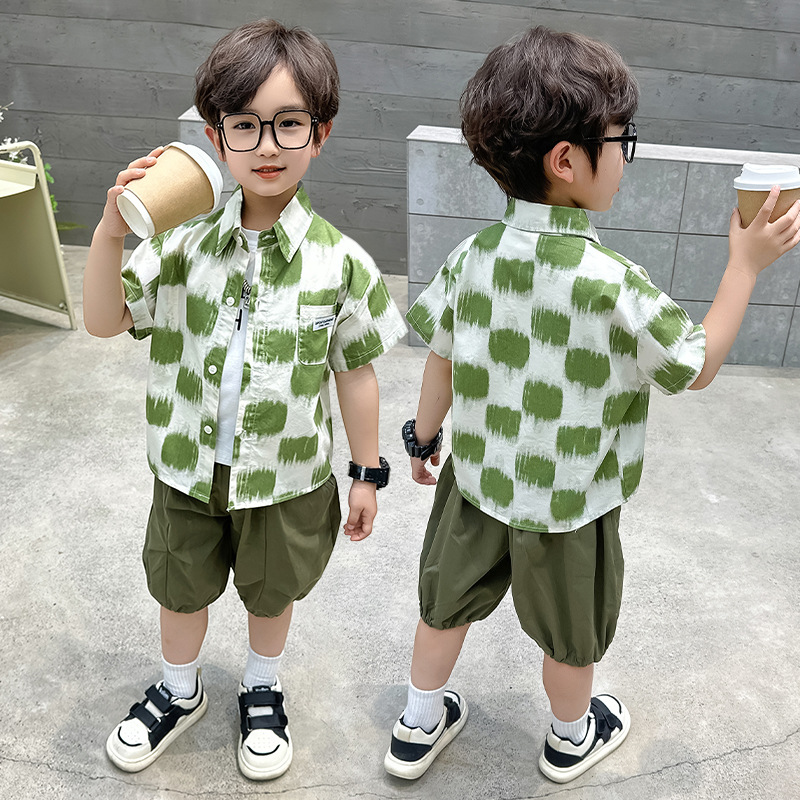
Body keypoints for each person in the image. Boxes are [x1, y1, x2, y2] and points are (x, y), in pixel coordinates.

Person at [384, 26, 800, 785]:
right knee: (571, 636)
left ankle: (416, 722)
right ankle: (570, 738)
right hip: (570, 503)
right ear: (567, 160)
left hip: (478, 481)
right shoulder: (613, 283)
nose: (626, 156)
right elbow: (696, 365)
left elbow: (442, 352)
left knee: (443, 603)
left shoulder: (472, 257)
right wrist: (743, 266)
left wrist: (423, 436)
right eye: (621, 140)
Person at [83, 19, 405, 781]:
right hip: (187, 467)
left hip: (287, 476)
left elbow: (355, 371)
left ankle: (262, 687)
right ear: (215, 136)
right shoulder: (181, 243)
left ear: (320, 134)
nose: (267, 145)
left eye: (289, 123)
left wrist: (368, 472)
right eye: (245, 125)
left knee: (272, 590)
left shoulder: (341, 263)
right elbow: (104, 320)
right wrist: (109, 232)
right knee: (179, 585)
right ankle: (179, 687)